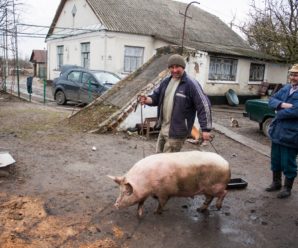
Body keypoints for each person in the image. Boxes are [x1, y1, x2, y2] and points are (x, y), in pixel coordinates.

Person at [139, 54, 212, 153]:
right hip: (164, 128)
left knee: (168, 163)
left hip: (178, 132)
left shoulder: (191, 84)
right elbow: (156, 98)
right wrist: (147, 100)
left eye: (177, 67)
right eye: (171, 67)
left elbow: (204, 105)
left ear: (183, 67)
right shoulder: (166, 82)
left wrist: (205, 129)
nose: (174, 70)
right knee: (157, 158)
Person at [265, 64, 298, 198]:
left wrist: (278, 112)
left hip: (292, 134)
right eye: (292, 74)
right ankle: (276, 182)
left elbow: (296, 110)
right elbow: (271, 100)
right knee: (276, 159)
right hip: (277, 131)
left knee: (288, 162)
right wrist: (282, 105)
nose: (293, 77)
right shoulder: (286, 88)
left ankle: (287, 188)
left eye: (296, 75)